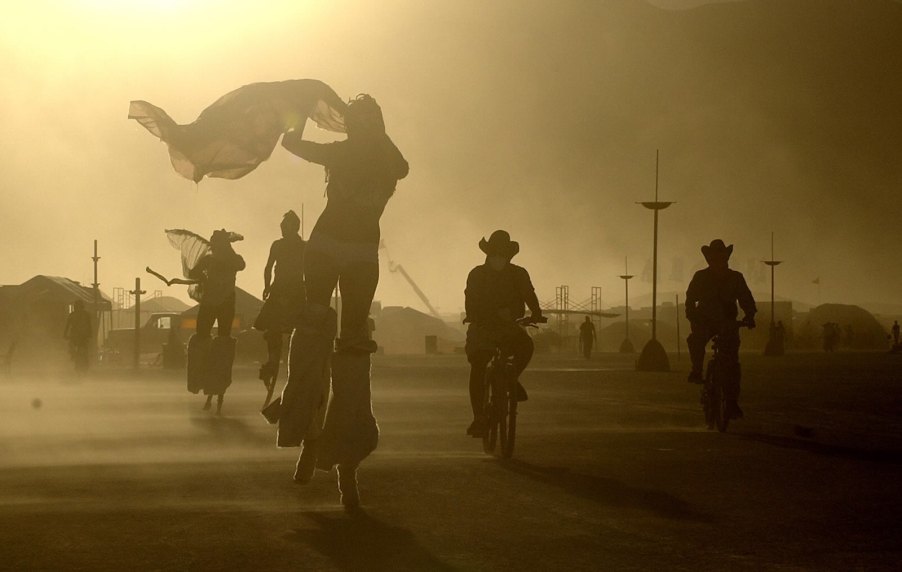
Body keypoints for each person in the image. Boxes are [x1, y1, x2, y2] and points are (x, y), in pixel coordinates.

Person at [281, 94, 408, 352]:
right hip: (348, 247)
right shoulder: (383, 162)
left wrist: (303, 109)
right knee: (345, 330)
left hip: (339, 246)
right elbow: (402, 168)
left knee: (333, 327)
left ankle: (306, 387)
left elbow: (291, 143)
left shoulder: (350, 155)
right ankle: (312, 387)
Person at [464, 230, 543, 437]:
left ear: (508, 256)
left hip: (509, 328)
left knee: (525, 347)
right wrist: (485, 314)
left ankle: (511, 379)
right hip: (483, 327)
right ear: (488, 255)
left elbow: (529, 294)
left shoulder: (519, 274)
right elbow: (470, 301)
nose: (498, 259)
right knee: (479, 365)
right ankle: (479, 417)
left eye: (502, 255)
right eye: (495, 254)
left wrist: (536, 313)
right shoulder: (477, 274)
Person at [685, 239, 756, 420]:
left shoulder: (736, 278)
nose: (717, 261)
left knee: (732, 365)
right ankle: (697, 370)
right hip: (704, 321)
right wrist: (692, 314)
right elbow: (690, 298)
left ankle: (731, 403)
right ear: (709, 260)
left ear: (726, 258)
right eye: (714, 258)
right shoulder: (700, 277)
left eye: (721, 257)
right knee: (696, 340)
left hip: (728, 323)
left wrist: (749, 316)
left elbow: (745, 298)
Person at [187, 229, 246, 414]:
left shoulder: (232, 259)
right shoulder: (210, 259)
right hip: (211, 304)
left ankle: (217, 391)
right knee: (202, 340)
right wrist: (203, 276)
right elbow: (193, 271)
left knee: (222, 344)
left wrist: (222, 257)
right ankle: (200, 381)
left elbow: (241, 264)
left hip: (224, 304)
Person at [254, 210, 306, 387]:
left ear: (294, 227)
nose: (282, 229)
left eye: (285, 226)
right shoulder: (278, 245)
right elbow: (268, 268)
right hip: (281, 289)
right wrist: (267, 286)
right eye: (282, 226)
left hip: (296, 291)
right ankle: (273, 361)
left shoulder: (303, 247)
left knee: (299, 329)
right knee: (273, 328)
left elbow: (310, 270)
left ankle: (293, 363)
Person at [63, 299, 92, 372]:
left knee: (81, 351)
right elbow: (89, 326)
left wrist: (65, 334)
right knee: (78, 350)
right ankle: (78, 360)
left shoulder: (74, 315)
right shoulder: (84, 315)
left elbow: (67, 326)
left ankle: (80, 361)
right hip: (78, 337)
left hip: (79, 337)